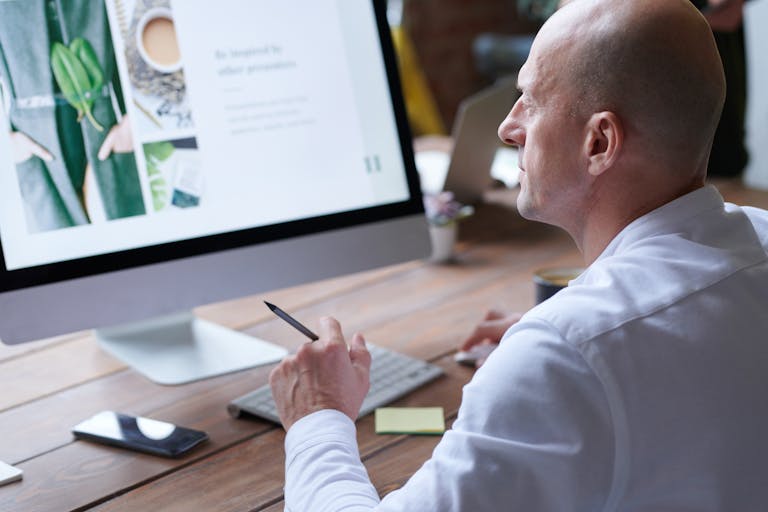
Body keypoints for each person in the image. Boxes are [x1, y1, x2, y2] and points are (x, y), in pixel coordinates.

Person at [268, 0, 768, 510]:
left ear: (599, 142)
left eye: (530, 99)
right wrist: (590, 335)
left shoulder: (563, 354)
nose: (509, 127)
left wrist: (319, 415)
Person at [0, 0, 145, 233]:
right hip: (33, 144)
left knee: (128, 239)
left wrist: (132, 120)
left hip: (105, 129)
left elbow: (133, 20)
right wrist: (6, 141)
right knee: (63, 255)